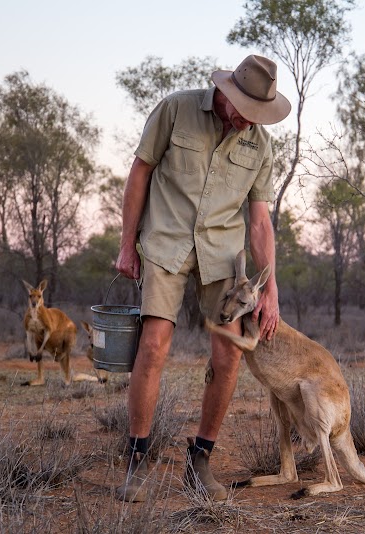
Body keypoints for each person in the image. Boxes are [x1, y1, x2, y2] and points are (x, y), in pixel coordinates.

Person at [113, 55, 291, 502]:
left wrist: (270, 289)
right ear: (227, 95)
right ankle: (136, 462)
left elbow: (260, 222)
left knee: (229, 353)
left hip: (222, 255)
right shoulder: (176, 109)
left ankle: (201, 461)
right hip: (165, 241)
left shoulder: (260, 145)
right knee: (154, 343)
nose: (249, 122)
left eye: (258, 116)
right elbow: (140, 172)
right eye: (244, 111)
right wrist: (126, 243)